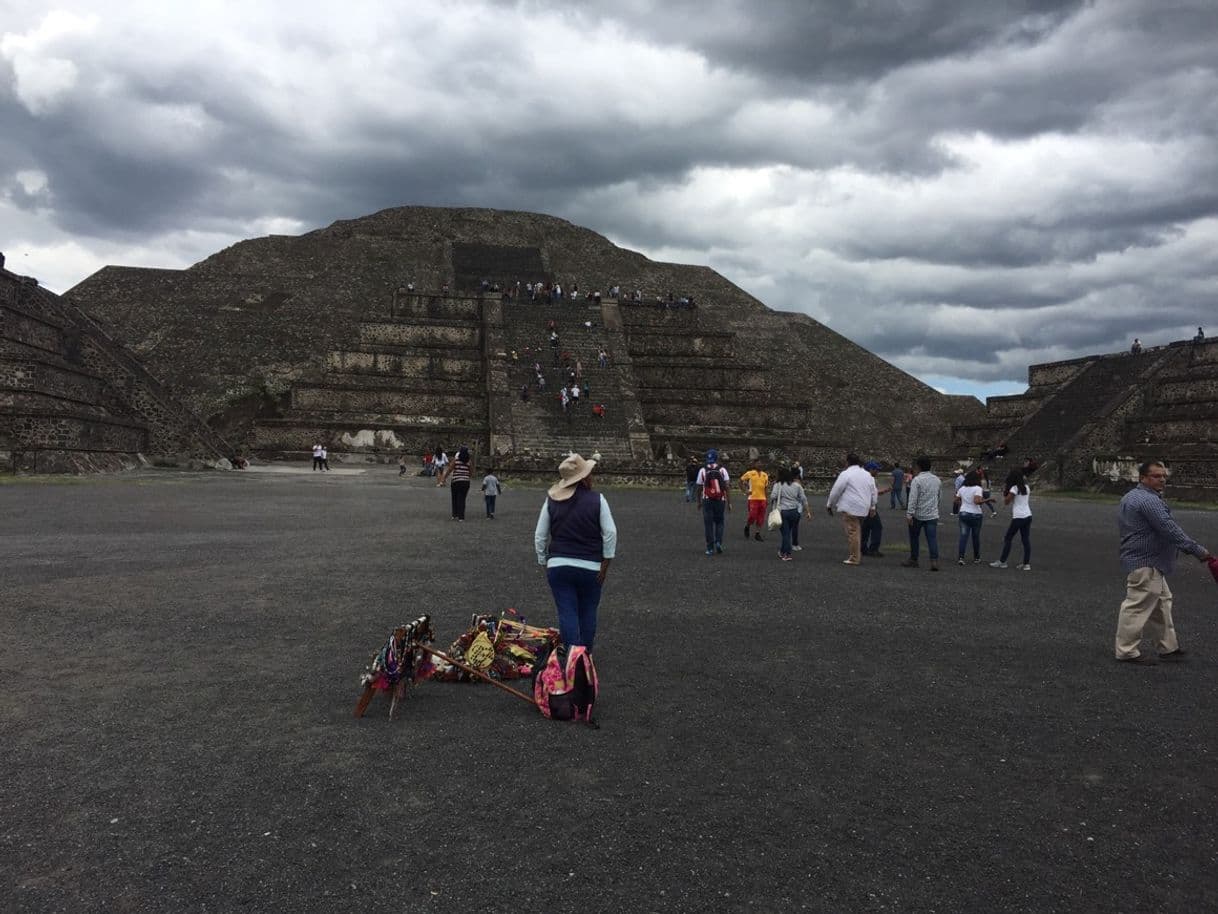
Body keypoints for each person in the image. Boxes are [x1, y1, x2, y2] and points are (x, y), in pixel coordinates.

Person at [1114, 461, 1211, 664]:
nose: (1162, 480)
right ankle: (1126, 650)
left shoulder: (1130, 497)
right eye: (1156, 476)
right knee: (1136, 606)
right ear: (1143, 478)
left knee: (1161, 603)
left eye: (1163, 476)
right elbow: (1170, 530)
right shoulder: (1150, 501)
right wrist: (1198, 551)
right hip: (1146, 561)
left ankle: (1167, 647)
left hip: (1148, 560)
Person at [534, 454, 616, 651]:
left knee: (567, 611)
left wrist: (544, 562)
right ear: (584, 478)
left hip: (559, 564)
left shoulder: (552, 501)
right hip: (591, 565)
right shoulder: (598, 500)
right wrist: (605, 565)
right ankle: (585, 653)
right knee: (588, 610)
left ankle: (573, 654)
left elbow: (540, 535)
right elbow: (610, 533)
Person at [825, 453, 877, 566]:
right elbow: (874, 491)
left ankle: (854, 558)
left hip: (850, 507)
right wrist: (873, 506)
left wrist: (830, 504)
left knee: (853, 533)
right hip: (864, 508)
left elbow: (836, 490)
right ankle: (857, 554)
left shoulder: (846, 474)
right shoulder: (867, 475)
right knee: (857, 531)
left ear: (847, 462)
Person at [902, 456, 941, 571]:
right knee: (932, 538)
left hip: (918, 514)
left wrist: (909, 514)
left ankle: (914, 559)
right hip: (932, 514)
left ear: (918, 467)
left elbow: (913, 498)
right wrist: (935, 508)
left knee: (914, 537)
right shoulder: (937, 480)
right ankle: (934, 561)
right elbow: (939, 497)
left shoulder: (917, 480)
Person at [990, 469, 1032, 569]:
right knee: (1025, 540)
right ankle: (1026, 564)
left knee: (1008, 538)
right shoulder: (1026, 487)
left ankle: (1002, 561)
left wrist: (1006, 491)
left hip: (1018, 517)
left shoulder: (1014, 488)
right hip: (1028, 515)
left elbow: (1007, 501)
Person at [769, 466, 811, 561]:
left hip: (783, 511)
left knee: (785, 533)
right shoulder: (797, 485)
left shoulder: (778, 485)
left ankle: (786, 553)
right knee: (788, 532)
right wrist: (808, 511)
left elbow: (773, 496)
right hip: (794, 512)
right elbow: (804, 499)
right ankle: (782, 551)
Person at [696, 449, 732, 556]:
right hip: (720, 500)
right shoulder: (722, 470)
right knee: (719, 522)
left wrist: (698, 501)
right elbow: (727, 487)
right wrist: (729, 502)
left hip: (707, 499)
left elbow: (698, 487)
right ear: (717, 458)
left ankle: (710, 548)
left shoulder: (703, 470)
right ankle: (718, 542)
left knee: (708, 524)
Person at [860, 461, 891, 557]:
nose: (878, 472)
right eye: (876, 470)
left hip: (864, 507)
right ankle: (873, 549)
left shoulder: (863, 479)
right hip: (870, 508)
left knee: (865, 528)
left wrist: (883, 491)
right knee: (877, 527)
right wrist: (872, 508)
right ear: (870, 470)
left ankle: (862, 548)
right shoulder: (871, 479)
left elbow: (873, 493)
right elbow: (871, 494)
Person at [956, 470, 986, 564]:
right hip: (976, 513)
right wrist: (988, 500)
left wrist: (963, 504)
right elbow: (977, 501)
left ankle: (961, 557)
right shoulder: (978, 488)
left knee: (963, 536)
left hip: (964, 512)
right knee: (975, 536)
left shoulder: (962, 488)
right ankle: (976, 558)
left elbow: (956, 500)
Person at [740, 459, 770, 542]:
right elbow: (741, 480)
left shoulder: (765, 475)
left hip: (762, 498)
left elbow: (766, 488)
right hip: (753, 498)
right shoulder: (750, 473)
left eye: (761, 463)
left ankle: (757, 533)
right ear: (754, 464)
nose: (760, 465)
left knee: (761, 517)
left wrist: (766, 498)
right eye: (758, 463)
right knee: (752, 515)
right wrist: (744, 491)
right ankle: (747, 526)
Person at [447, 447, 473, 520]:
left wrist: (444, 477)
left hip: (456, 481)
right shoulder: (469, 461)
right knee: (462, 499)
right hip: (465, 482)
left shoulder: (456, 460)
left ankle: (454, 514)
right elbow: (471, 472)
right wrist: (467, 477)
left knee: (454, 498)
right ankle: (461, 516)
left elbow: (450, 469)